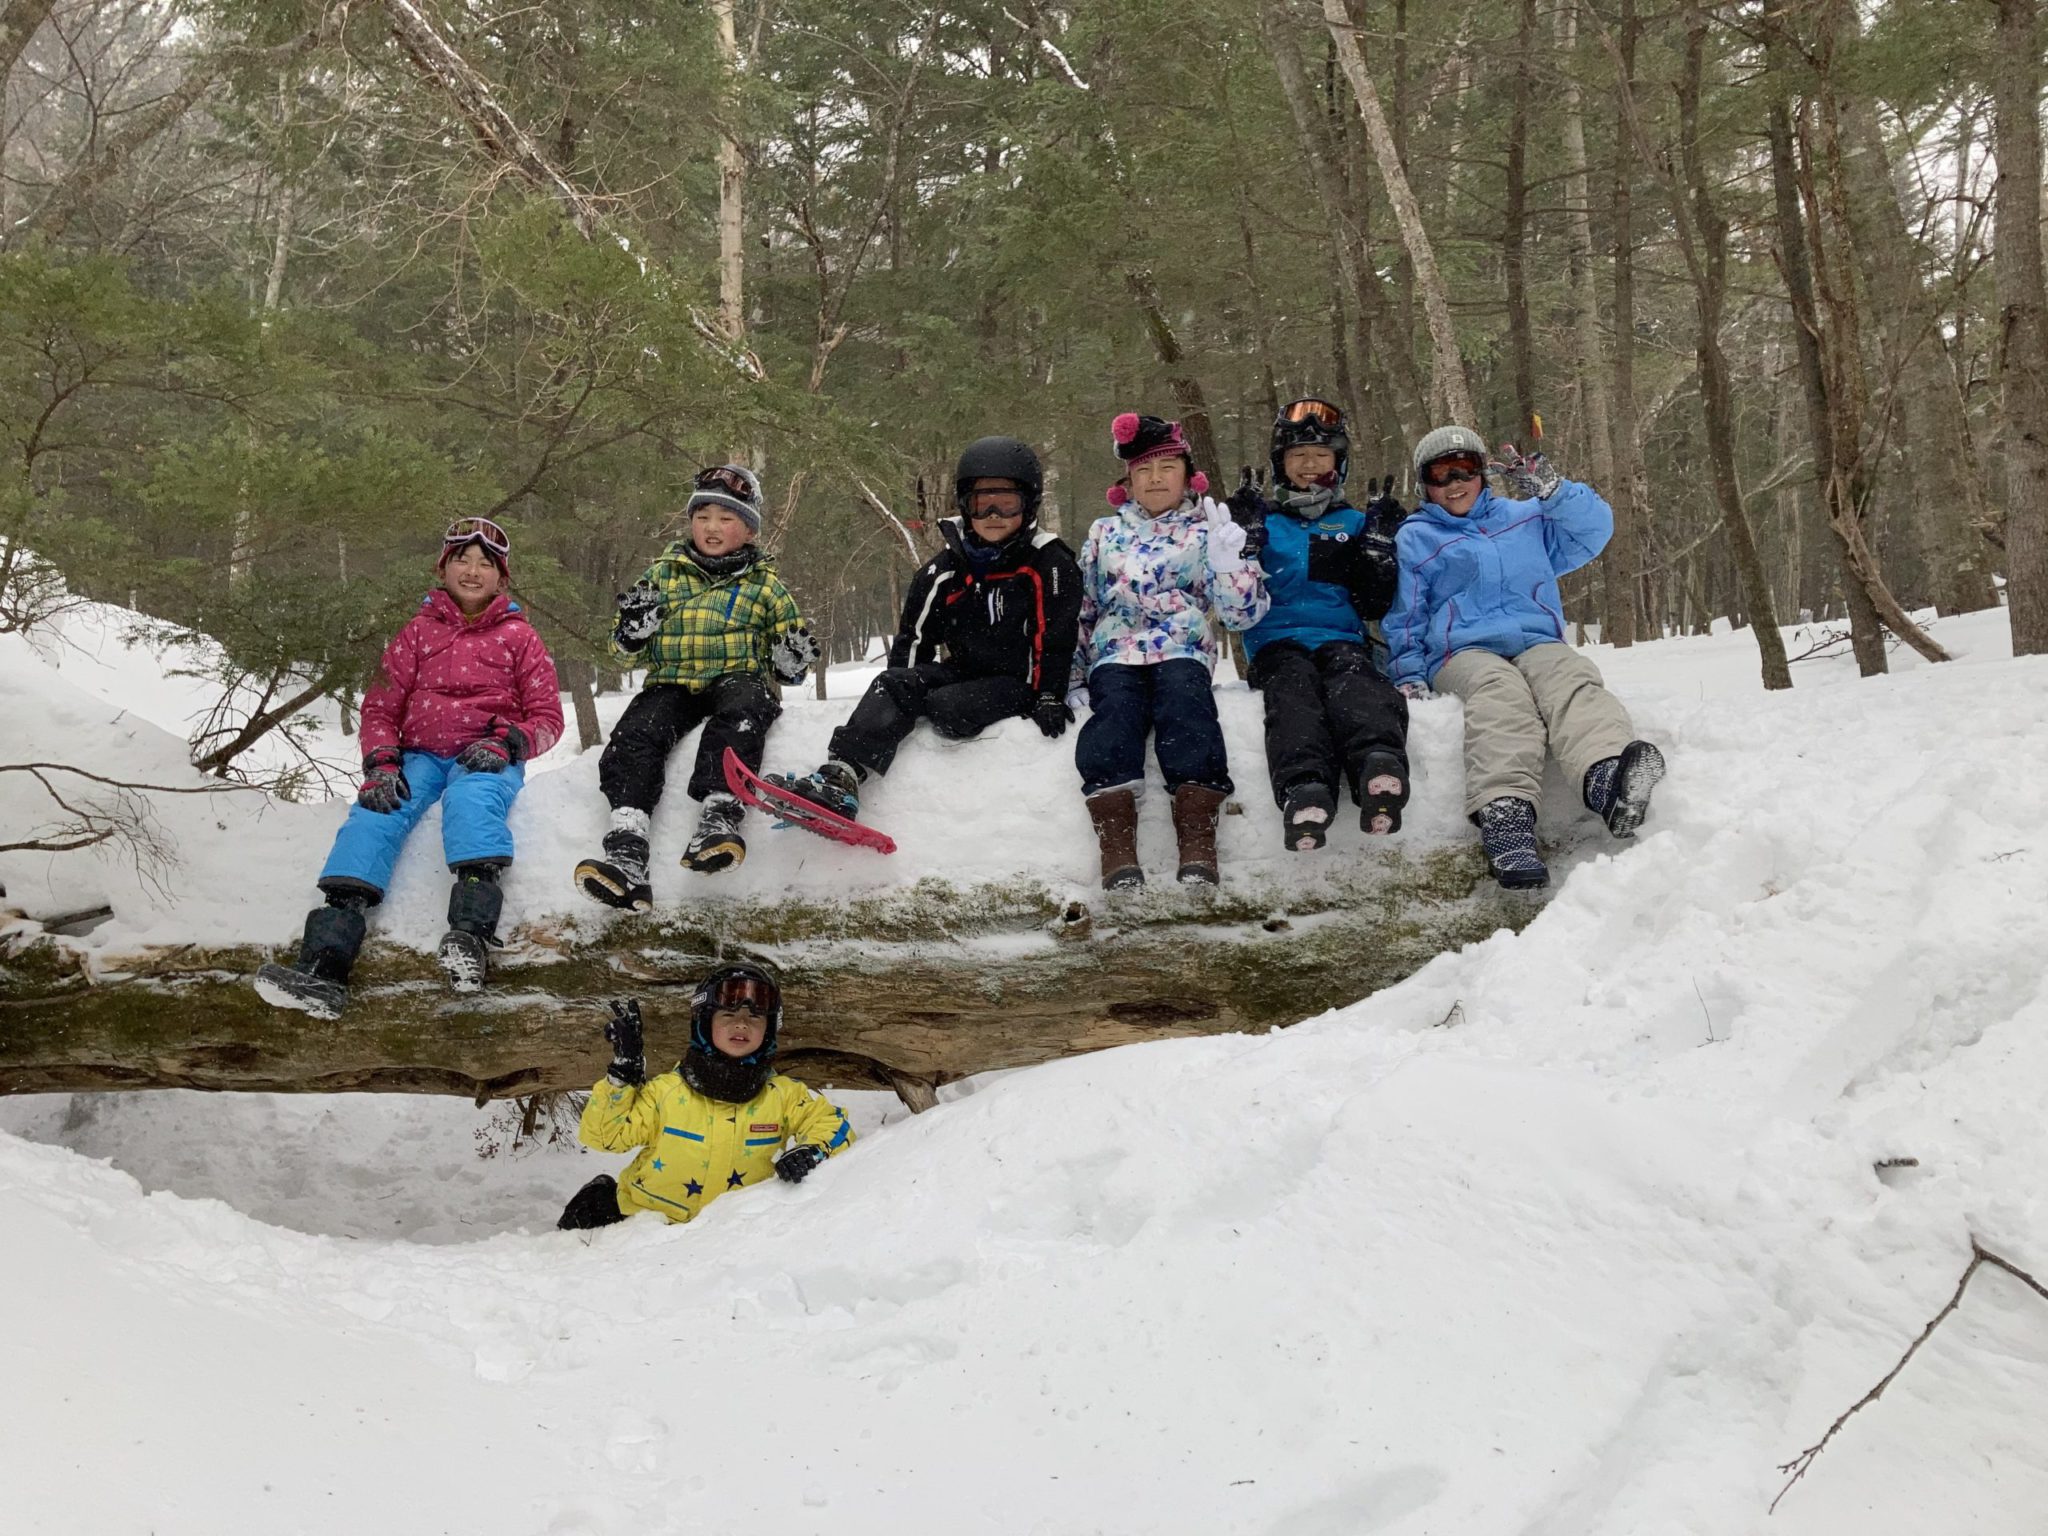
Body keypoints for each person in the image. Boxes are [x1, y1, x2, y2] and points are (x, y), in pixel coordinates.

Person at [253, 517, 563, 1017]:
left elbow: (548, 718)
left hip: (484, 752)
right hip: (417, 756)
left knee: (472, 802)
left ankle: (471, 939)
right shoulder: (416, 633)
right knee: (374, 815)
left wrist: (510, 744)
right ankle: (323, 966)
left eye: (485, 564)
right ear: (443, 568)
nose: (472, 570)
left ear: (502, 580)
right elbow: (379, 707)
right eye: (462, 559)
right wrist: (380, 763)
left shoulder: (520, 639)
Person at [1383, 426, 1666, 890]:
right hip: (1464, 650)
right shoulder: (1418, 537)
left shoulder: (1525, 518)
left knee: (1572, 678)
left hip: (1536, 640)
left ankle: (1607, 779)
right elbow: (1406, 615)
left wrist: (1555, 493)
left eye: (1466, 469)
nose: (1455, 482)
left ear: (1482, 472)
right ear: (1425, 486)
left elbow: (1595, 530)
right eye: (1440, 474)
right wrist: (1409, 673)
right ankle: (1506, 815)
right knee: (1501, 695)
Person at [764, 437, 1082, 821]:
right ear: (966, 504)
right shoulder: (945, 568)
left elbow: (1056, 637)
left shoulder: (1047, 561)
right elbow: (914, 638)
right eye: (983, 502)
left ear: (1028, 505)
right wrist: (904, 688)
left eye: (1007, 502)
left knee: (947, 709)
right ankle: (841, 777)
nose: (994, 513)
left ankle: (933, 714)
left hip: (1019, 679)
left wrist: (1048, 694)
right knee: (892, 685)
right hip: (964, 670)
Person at [574, 466, 818, 907]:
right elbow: (621, 650)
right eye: (703, 515)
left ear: (748, 530)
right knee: (636, 732)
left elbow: (791, 662)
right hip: (672, 680)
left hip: (736, 675)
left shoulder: (766, 587)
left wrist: (789, 662)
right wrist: (633, 631)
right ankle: (627, 845)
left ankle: (719, 815)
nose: (711, 527)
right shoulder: (663, 576)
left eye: (726, 518)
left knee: (745, 711)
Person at [1071, 412, 1269, 889]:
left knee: (1186, 706)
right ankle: (1117, 845)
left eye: (1166, 469)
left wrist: (1228, 565)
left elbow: (1243, 616)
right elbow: (1084, 605)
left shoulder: (1209, 529)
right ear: (1128, 481)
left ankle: (1198, 837)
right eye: (1143, 471)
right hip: (1115, 652)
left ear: (1187, 475)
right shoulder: (1105, 533)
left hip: (1182, 648)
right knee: (1114, 713)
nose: (1155, 480)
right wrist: (1073, 674)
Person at [1228, 397, 1411, 852]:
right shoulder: (1264, 521)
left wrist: (1378, 550)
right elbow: (1232, 600)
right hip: (1276, 642)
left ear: (1339, 464)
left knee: (1356, 681)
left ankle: (1378, 764)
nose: (1310, 466)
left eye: (1321, 456)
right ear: (1280, 465)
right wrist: (1240, 541)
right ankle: (1305, 785)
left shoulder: (1353, 522)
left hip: (1341, 639)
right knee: (1293, 690)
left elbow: (1373, 604)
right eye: (1298, 457)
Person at [557, 963, 856, 1230]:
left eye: (755, 1017)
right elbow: (603, 1137)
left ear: (769, 1029)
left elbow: (834, 1126)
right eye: (728, 1014)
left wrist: (813, 1151)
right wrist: (622, 1076)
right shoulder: (667, 1092)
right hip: (643, 1223)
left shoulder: (783, 1096)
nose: (742, 1024)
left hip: (726, 1235)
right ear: (704, 1021)